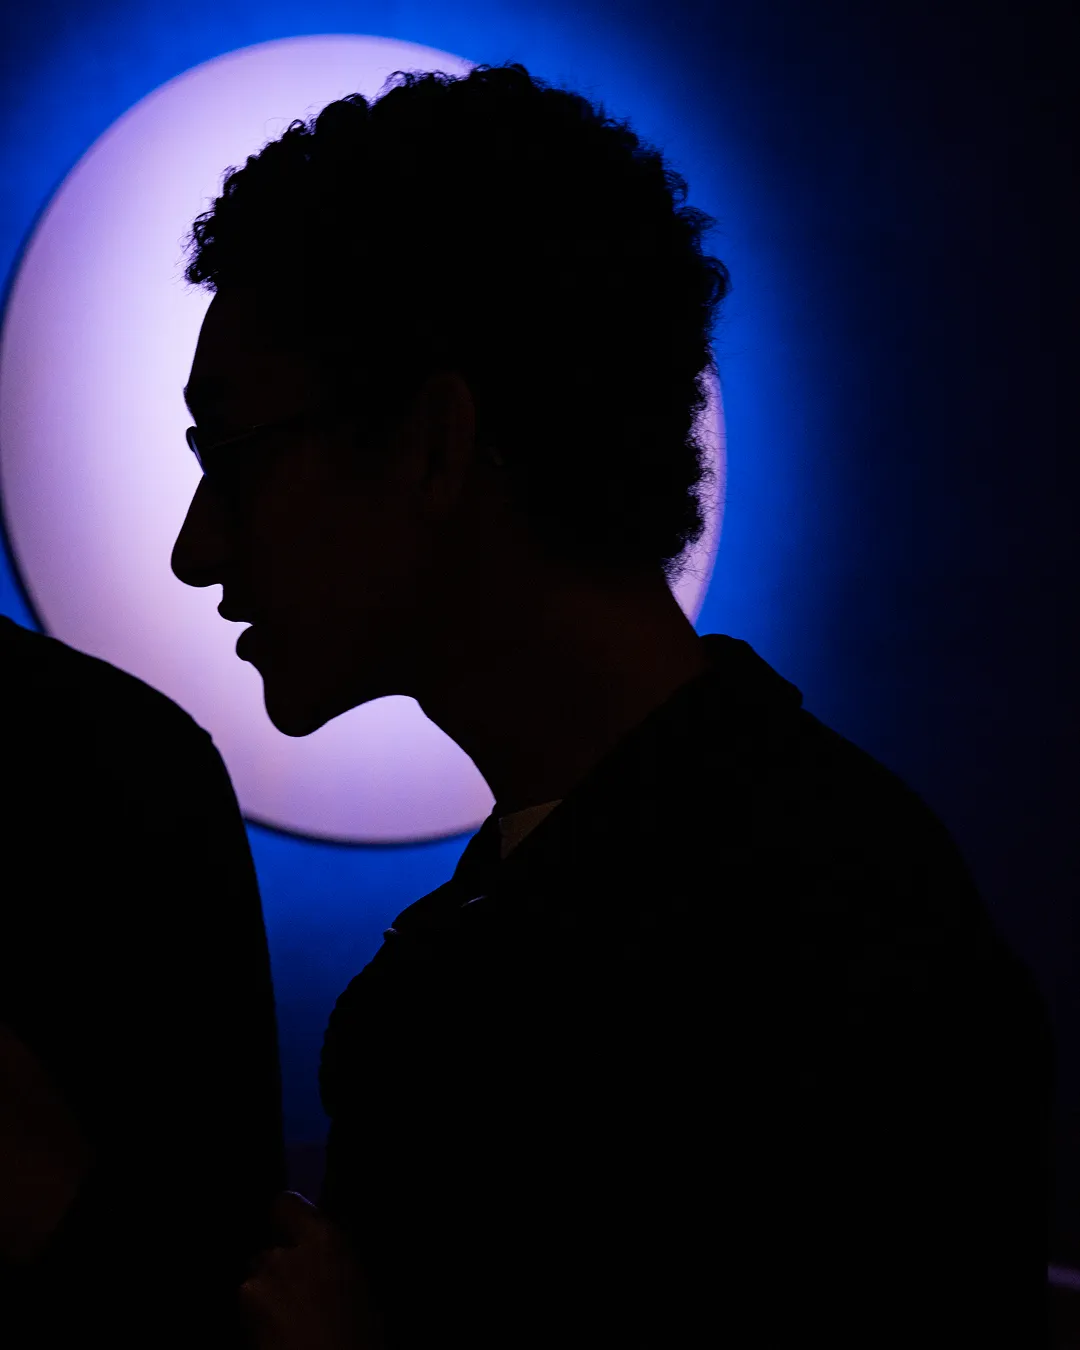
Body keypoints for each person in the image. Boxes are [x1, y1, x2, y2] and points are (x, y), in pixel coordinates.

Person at [170, 62, 1055, 1348]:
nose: (197, 550)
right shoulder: (822, 891)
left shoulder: (821, 951)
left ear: (433, 443)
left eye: (233, 459)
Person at [0, 614, 286, 1347]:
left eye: (233, 491)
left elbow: (214, 1236)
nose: (194, 560)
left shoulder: (112, 754)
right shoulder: (119, 747)